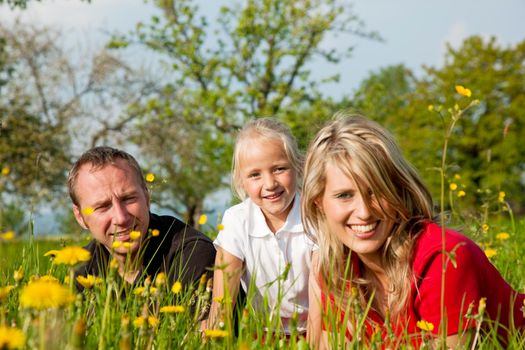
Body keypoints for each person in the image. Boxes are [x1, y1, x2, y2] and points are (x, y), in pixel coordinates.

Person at [303, 113, 525, 348]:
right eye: (344, 195)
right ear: (318, 201)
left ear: (399, 190)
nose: (365, 212)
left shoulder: (443, 258)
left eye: (376, 191)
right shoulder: (337, 266)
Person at [208, 118, 314, 336]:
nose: (270, 184)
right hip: (261, 333)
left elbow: (325, 300)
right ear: (241, 181)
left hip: (314, 329)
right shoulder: (236, 220)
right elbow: (222, 305)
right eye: (255, 174)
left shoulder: (315, 216)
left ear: (297, 166)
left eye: (279, 169)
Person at [69, 146, 215, 292]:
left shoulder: (192, 254)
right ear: (80, 217)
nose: (121, 218)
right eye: (102, 207)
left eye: (128, 199)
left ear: (146, 197)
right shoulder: (80, 268)